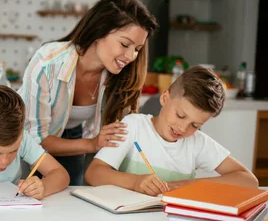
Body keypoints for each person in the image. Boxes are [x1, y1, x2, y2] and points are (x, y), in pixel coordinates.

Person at [19, 0, 159, 186]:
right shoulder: (47, 63)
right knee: (30, 197)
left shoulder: (123, 78)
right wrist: (92, 143)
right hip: (25, 139)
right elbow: (37, 139)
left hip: (74, 135)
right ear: (100, 31)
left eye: (137, 49)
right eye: (125, 44)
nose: (130, 56)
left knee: (71, 200)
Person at [85, 66, 258, 195]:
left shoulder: (197, 143)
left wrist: (183, 185)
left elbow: (249, 180)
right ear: (165, 98)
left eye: (195, 125)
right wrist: (135, 182)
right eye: (180, 115)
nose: (183, 128)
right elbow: (94, 173)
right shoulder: (133, 126)